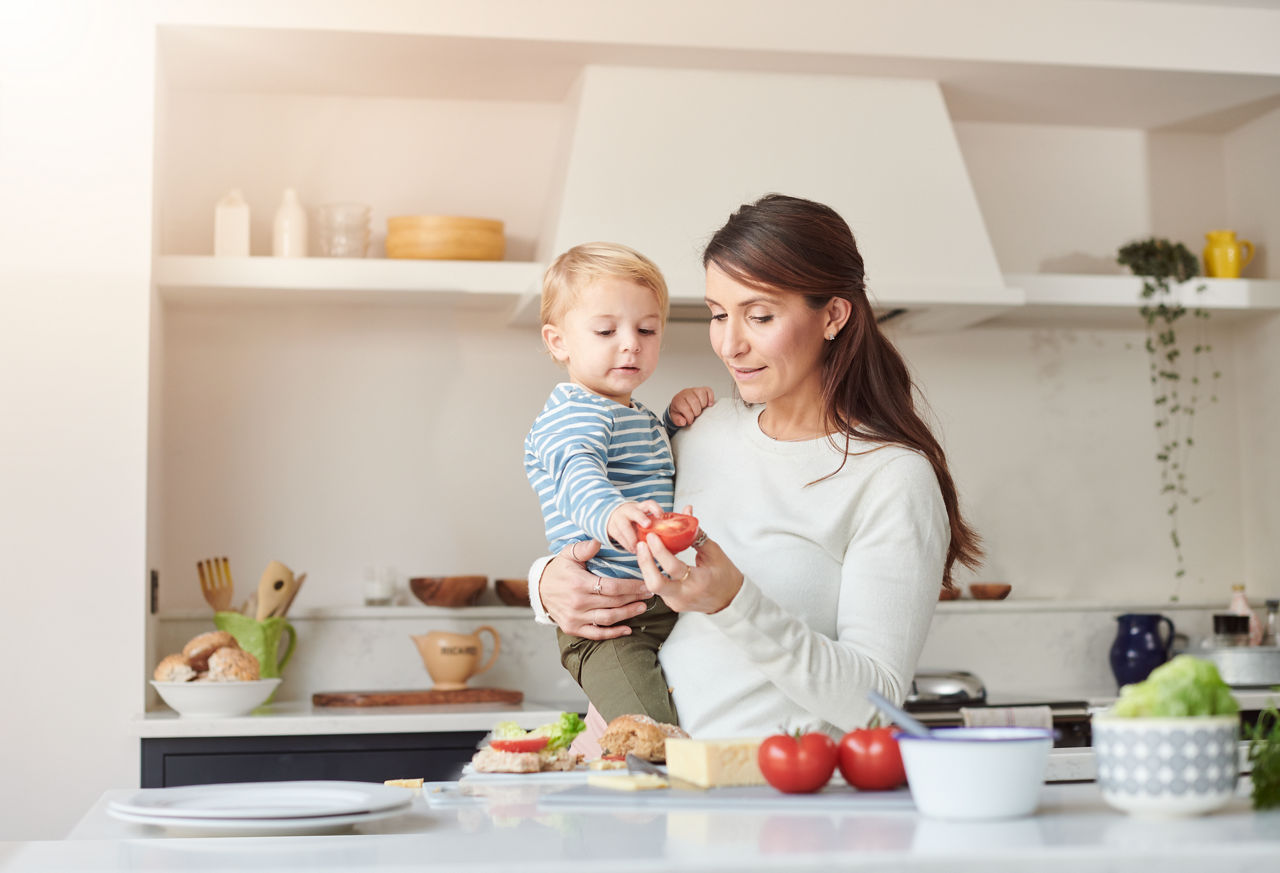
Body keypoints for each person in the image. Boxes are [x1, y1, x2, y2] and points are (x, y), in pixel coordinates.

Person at [529, 194, 982, 746]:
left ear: (834, 315)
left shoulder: (891, 478)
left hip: (776, 810)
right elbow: (593, 507)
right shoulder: (696, 433)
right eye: (719, 315)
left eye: (760, 316)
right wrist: (547, 583)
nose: (729, 343)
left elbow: (877, 708)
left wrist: (733, 601)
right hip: (642, 795)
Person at [523, 242, 713, 724]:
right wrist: (609, 513)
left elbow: (652, 467)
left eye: (647, 329)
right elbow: (576, 471)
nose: (630, 342)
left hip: (661, 604)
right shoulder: (573, 414)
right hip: (607, 624)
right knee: (650, 735)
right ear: (558, 341)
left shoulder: (632, 414)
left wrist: (672, 422)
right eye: (606, 330)